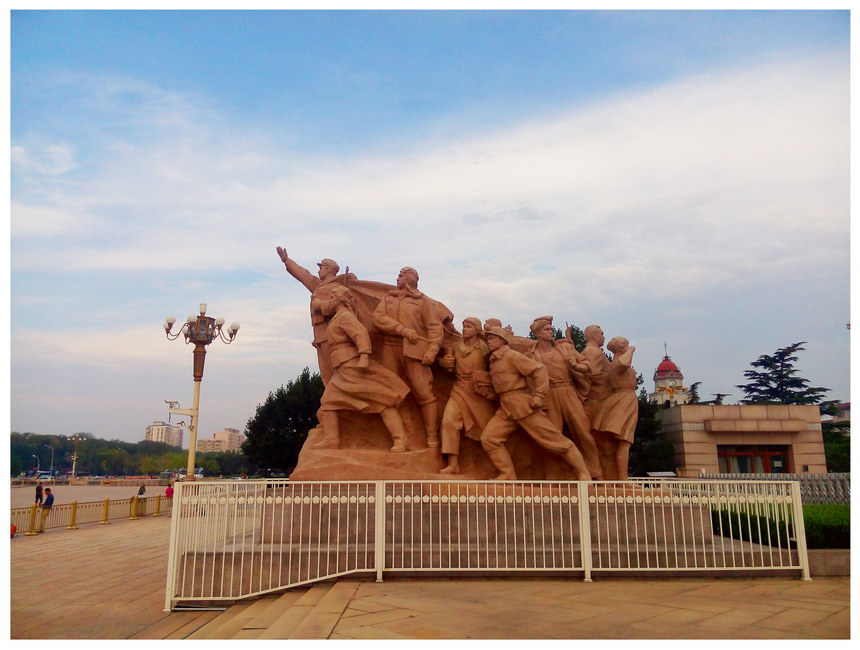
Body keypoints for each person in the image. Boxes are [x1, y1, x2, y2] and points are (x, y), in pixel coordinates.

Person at [478, 327, 592, 481]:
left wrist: (539, 395)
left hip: (523, 406)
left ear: (501, 340)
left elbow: (539, 370)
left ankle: (583, 473)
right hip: (506, 408)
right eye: (488, 339)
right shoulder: (494, 361)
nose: (488, 341)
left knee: (555, 441)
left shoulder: (512, 356)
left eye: (491, 338)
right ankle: (508, 474)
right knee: (489, 438)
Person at [316, 285, 412, 452]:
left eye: (332, 298)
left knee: (381, 400)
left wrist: (364, 355)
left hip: (353, 366)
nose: (330, 301)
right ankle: (331, 440)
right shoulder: (338, 316)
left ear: (339, 299)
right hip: (342, 368)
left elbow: (360, 334)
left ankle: (400, 440)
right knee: (328, 402)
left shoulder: (346, 316)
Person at [372, 267, 444, 448]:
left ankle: (431, 436)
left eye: (401, 275)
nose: (397, 278)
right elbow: (378, 318)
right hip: (390, 349)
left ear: (410, 278)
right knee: (389, 393)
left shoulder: (423, 302)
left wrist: (432, 350)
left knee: (424, 393)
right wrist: (401, 329)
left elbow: (435, 328)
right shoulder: (388, 298)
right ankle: (399, 438)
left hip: (414, 351)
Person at [528, 316, 603, 479]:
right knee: (553, 435)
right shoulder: (531, 354)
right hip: (548, 395)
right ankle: (553, 476)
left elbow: (587, 365)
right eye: (547, 329)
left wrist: (577, 366)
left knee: (582, 430)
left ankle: (595, 472)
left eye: (551, 328)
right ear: (538, 333)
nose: (551, 332)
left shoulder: (564, 348)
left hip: (567, 390)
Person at [276, 247, 356, 385]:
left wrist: (320, 306)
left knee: (335, 372)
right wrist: (287, 261)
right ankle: (332, 396)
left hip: (332, 335)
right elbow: (304, 274)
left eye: (321, 267)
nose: (318, 271)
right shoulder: (319, 286)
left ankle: (341, 395)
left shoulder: (336, 288)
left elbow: (343, 307)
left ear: (328, 269)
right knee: (326, 374)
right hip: (320, 336)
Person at [437, 317, 497, 474]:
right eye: (464, 326)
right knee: (448, 422)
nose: (464, 329)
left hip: (478, 391)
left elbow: (495, 368)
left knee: (488, 429)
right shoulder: (456, 347)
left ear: (476, 330)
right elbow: (447, 367)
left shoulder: (484, 348)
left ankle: (499, 466)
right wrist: (445, 363)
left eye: (469, 326)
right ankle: (453, 464)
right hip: (460, 389)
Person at [591, 337, 639, 479]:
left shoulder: (616, 364)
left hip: (626, 400)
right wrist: (631, 350)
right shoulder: (617, 364)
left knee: (623, 443)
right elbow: (624, 362)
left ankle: (620, 479)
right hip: (623, 401)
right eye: (627, 345)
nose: (629, 347)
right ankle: (622, 480)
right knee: (624, 442)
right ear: (621, 347)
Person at [580, 324, 616, 478]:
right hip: (596, 400)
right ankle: (596, 473)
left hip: (599, 399)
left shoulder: (593, 351)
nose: (603, 336)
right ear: (594, 335)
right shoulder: (593, 351)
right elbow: (590, 374)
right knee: (594, 439)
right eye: (601, 334)